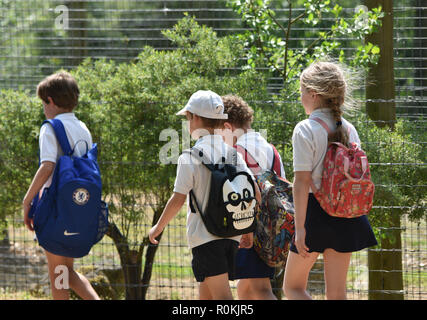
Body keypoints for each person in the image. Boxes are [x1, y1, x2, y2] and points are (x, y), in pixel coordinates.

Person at [148, 90, 260, 300]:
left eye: (188, 118)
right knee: (206, 295)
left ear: (195, 117)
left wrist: (158, 227)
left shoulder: (189, 157)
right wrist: (248, 230)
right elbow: (253, 192)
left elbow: (178, 200)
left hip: (205, 237)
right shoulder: (233, 153)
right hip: (232, 235)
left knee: (223, 299)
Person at [283, 61, 377, 300]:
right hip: (346, 213)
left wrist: (300, 229)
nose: (300, 97)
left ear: (313, 94)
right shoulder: (349, 128)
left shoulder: (305, 129)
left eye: (301, 91)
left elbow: (302, 182)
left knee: (292, 287)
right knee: (337, 293)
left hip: (314, 213)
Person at [22, 72, 100, 300]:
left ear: (51, 100)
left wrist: (27, 201)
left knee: (58, 276)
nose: (43, 108)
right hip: (78, 208)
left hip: (55, 209)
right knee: (66, 271)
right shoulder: (82, 127)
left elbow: (47, 166)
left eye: (43, 102)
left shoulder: (50, 127)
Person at [220, 94, 286, 300]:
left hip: (251, 230)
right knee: (245, 288)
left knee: (260, 289)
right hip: (274, 229)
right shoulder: (269, 148)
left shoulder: (237, 152)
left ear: (228, 126)